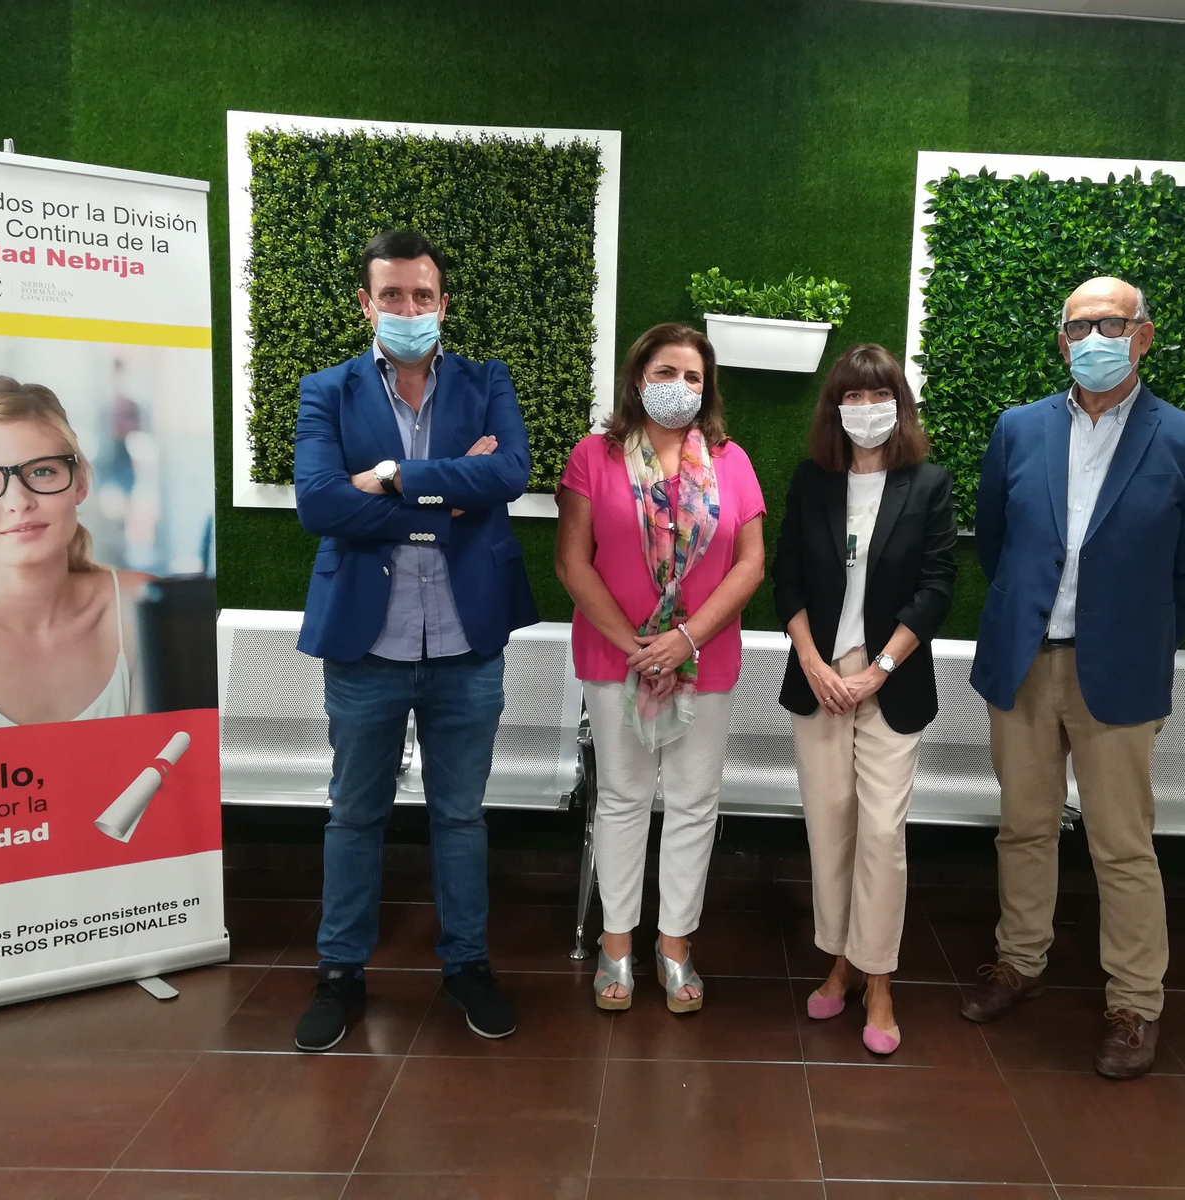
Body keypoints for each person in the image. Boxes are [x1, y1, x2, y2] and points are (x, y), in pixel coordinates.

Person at [960, 276, 1185, 1079]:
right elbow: (999, 541)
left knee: (1122, 844)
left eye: (1109, 323)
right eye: (1077, 328)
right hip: (1023, 660)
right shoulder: (1019, 430)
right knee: (1024, 826)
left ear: (1143, 335)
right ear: (1061, 343)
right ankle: (1020, 961)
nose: (1091, 339)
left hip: (1117, 673)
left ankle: (1134, 1003)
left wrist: (1136, 636)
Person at [291, 229, 537, 1052]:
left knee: (460, 816)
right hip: (366, 644)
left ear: (443, 303)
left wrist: (395, 477)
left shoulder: (486, 381)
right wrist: (446, 491)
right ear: (366, 303)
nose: (408, 310)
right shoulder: (326, 390)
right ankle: (340, 973)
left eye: (422, 297)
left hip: (468, 638)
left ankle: (466, 963)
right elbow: (321, 505)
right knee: (354, 815)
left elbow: (508, 476)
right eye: (391, 296)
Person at [555, 322, 765, 1014]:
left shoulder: (731, 461)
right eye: (666, 372)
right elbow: (572, 561)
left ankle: (674, 943)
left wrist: (687, 640)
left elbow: (751, 563)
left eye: (694, 377)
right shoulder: (595, 456)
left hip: (705, 659)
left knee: (695, 801)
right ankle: (617, 943)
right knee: (620, 796)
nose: (680, 387)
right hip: (615, 657)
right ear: (638, 377)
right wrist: (637, 644)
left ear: (708, 391)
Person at [772, 344, 956, 1055]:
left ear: (899, 406)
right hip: (819, 678)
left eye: (879, 395)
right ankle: (840, 961)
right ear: (834, 407)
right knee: (831, 826)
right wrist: (815, 662)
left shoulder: (929, 483)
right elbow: (786, 577)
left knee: (882, 833)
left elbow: (937, 588)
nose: (866, 408)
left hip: (891, 680)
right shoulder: (812, 481)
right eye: (852, 396)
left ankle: (878, 977)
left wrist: (877, 669)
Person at [0, 375, 150, 731]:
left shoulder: (144, 607)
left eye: (41, 471)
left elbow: (170, 772)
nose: (19, 503)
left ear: (81, 481)